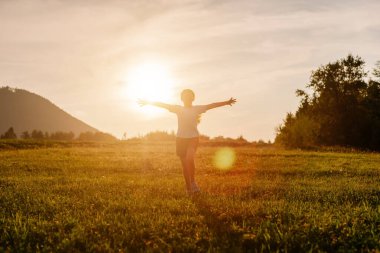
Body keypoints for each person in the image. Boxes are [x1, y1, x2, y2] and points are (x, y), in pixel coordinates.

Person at [138, 89, 236, 194]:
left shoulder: (197, 109)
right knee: (185, 166)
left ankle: (193, 183)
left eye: (189, 96)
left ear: (192, 98)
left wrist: (226, 102)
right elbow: (163, 105)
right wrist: (148, 102)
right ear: (182, 98)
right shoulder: (178, 109)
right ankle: (188, 188)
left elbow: (212, 105)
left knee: (189, 158)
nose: (187, 98)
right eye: (185, 96)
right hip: (180, 139)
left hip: (193, 138)